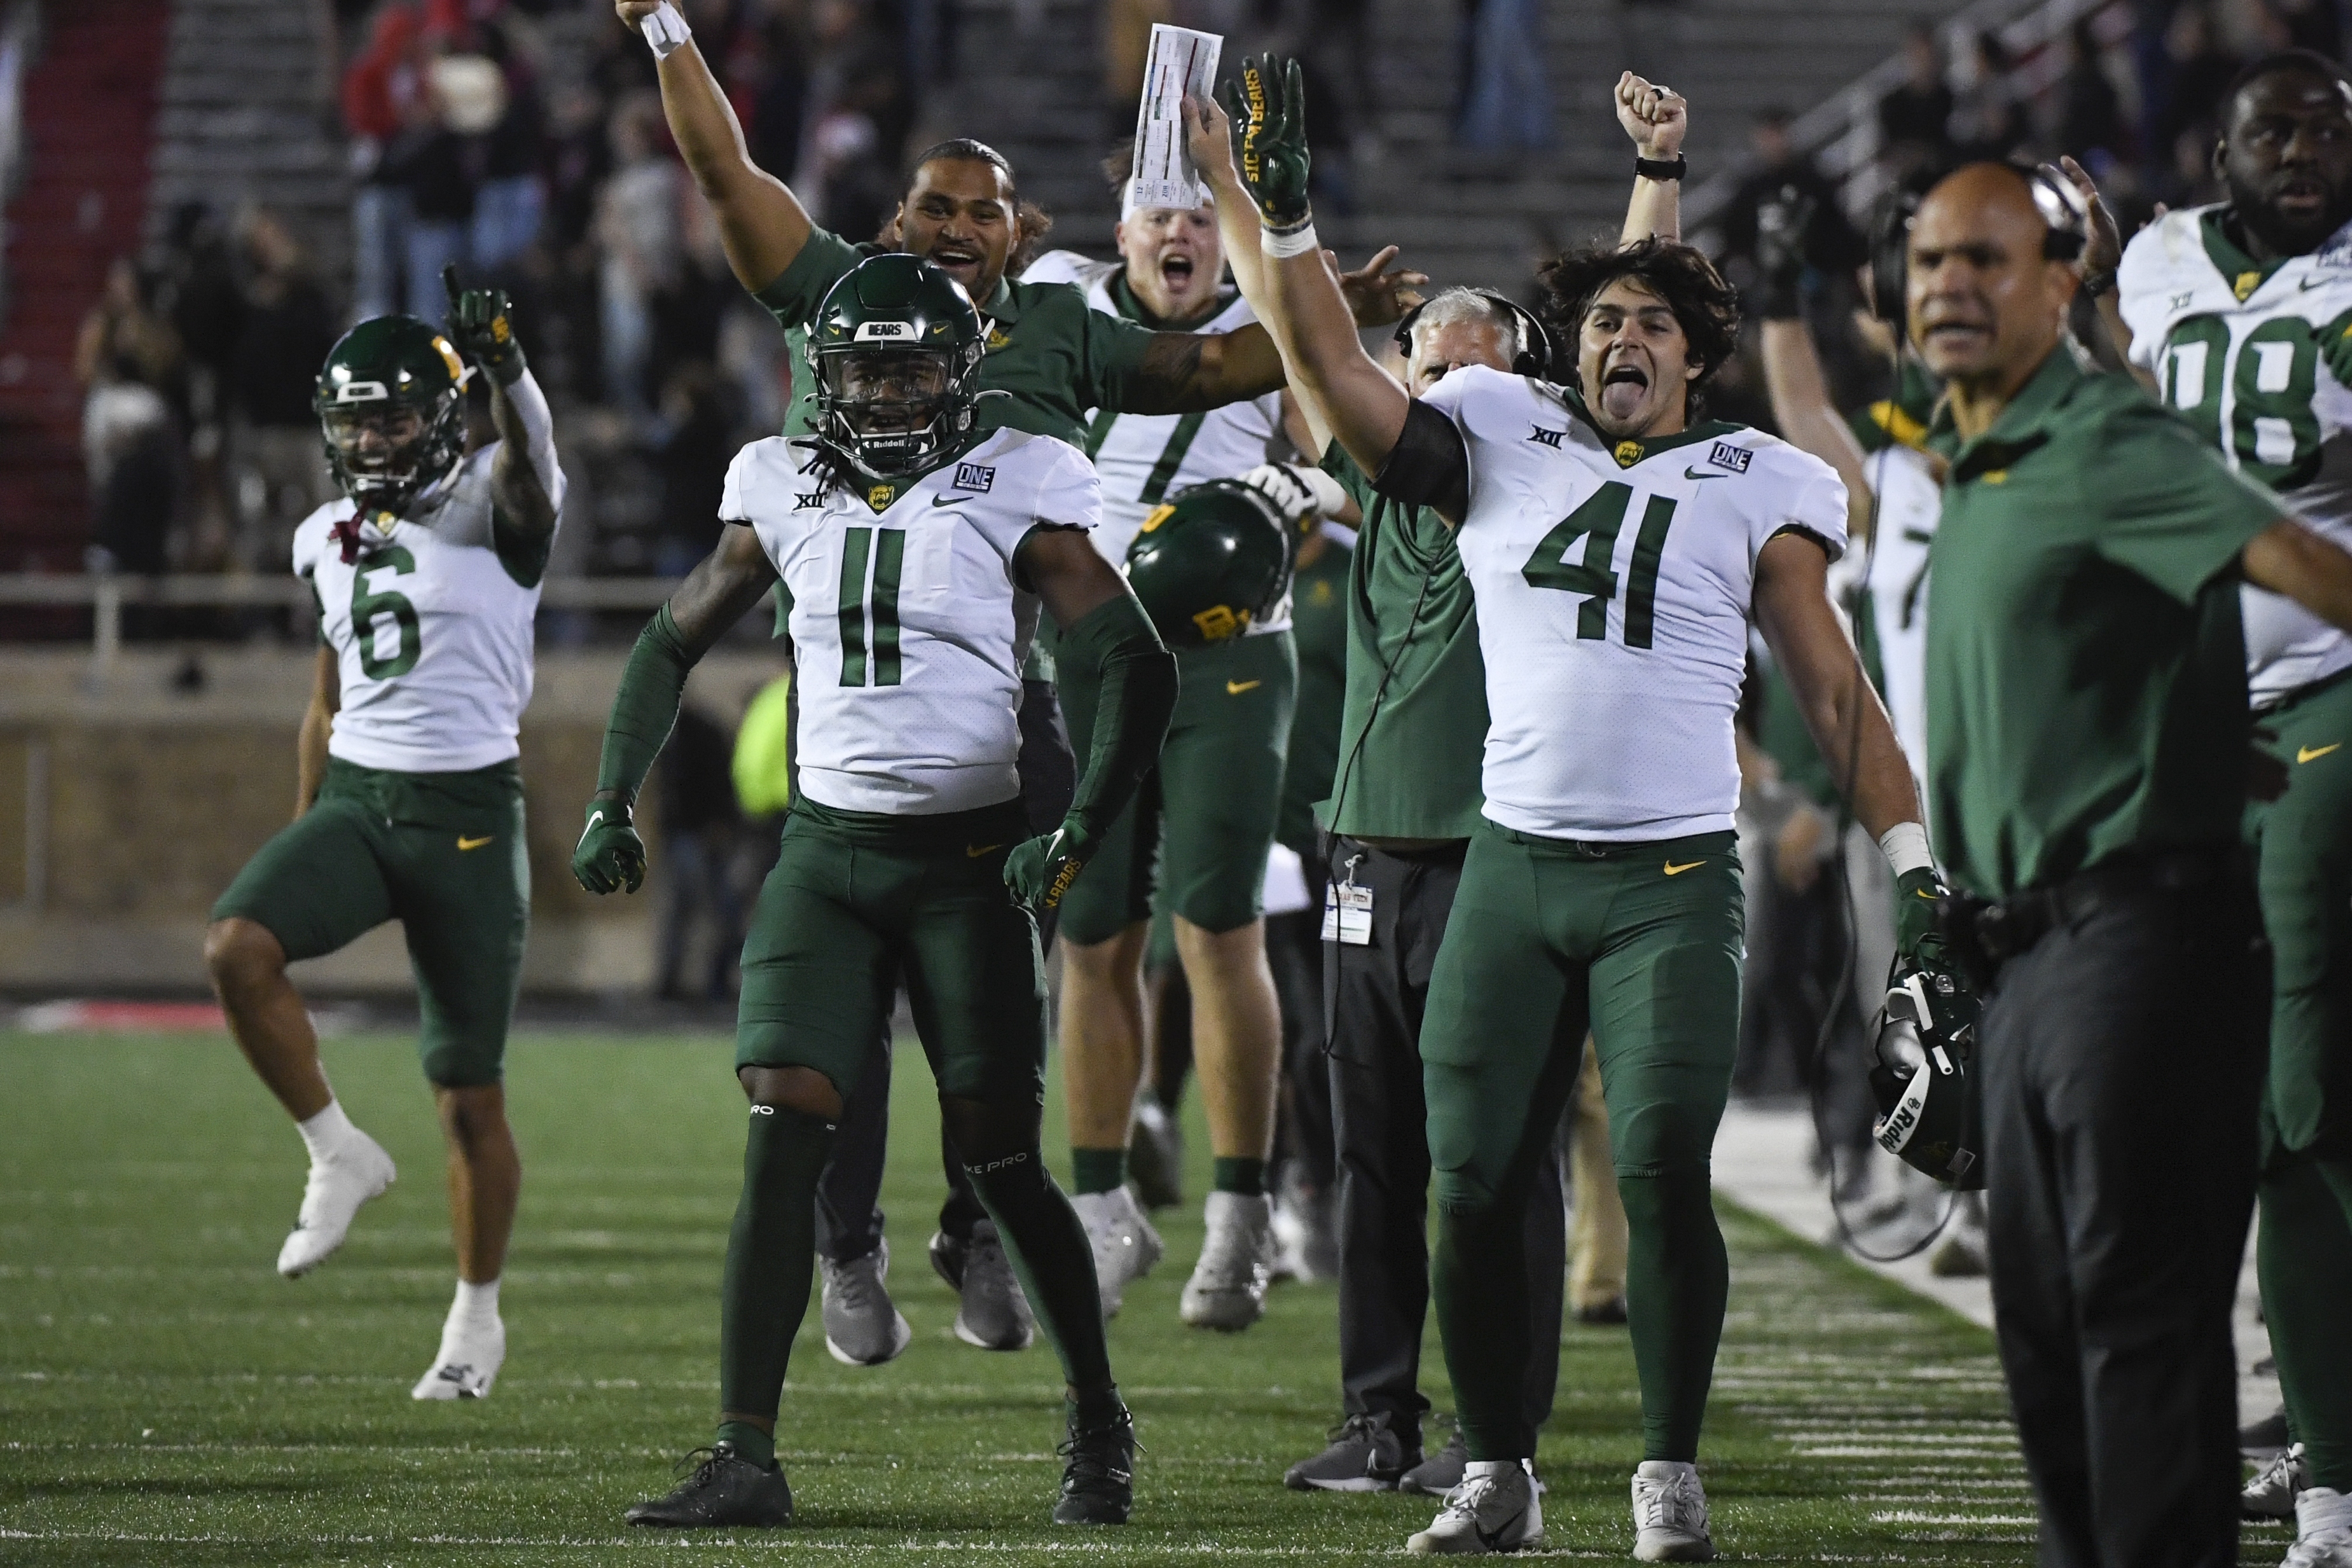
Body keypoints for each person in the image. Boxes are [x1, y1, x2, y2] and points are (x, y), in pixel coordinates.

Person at [609, 0, 1418, 1350]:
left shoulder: (1053, 333)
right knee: (841, 1014)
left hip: (1010, 706)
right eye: (931, 202)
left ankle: (985, 1217)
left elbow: (1229, 361)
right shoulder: (832, 294)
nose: (949, 223)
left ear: (1021, 238)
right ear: (895, 221)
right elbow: (723, 175)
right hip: (846, 709)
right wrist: (665, 29)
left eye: (980, 210)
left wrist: (1322, 304)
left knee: (1005, 997)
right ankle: (849, 1242)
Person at [1225, 57, 1943, 1557]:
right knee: (1475, 1181)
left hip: (1670, 881)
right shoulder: (1496, 428)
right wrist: (1285, 227)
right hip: (1512, 869)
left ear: (1697, 358)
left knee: (1662, 1164)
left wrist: (1917, 865)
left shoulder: (1762, 475)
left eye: (1652, 323)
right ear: (1575, 351)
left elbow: (1834, 696)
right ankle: (1498, 1469)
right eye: (1604, 321)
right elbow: (1340, 384)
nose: (1624, 336)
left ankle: (1666, 1469)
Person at [573, 253, 1178, 1530]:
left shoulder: (1021, 475)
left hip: (966, 866)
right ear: (825, 378)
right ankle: (745, 1453)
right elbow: (667, 642)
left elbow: (1133, 662)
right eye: (865, 368)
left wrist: (1072, 833)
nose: (890, 392)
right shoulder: (778, 481)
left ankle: (1098, 1425)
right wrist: (607, 797)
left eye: (912, 366)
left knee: (1004, 1162)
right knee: (779, 1131)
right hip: (825, 862)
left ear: (959, 371)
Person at [1192, 68, 1687, 1496]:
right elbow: (1293, 326)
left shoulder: (1550, 472)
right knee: (1374, 1160)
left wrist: (1654, 171)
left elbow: (1634, 316)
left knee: (1503, 1160)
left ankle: (1495, 1428)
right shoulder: (1367, 468)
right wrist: (1240, 182)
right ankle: (1376, 1419)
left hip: (1497, 863)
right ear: (1400, 379)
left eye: (1487, 370)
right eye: (1434, 366)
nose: (1455, 389)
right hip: (1364, 857)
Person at [1904, 158, 2352, 1568]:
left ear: (2059, 283)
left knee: (2137, 1338)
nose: (1950, 287)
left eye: (1986, 261)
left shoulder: (2101, 432)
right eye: (1930, 262)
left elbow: (2304, 566)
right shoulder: (1981, 442)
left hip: (2139, 943)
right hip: (2029, 954)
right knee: (2045, 1344)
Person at [2078, 49, 2352, 1567]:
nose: (2301, 150)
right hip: (2187, 724)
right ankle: (2300, 1437)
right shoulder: (2162, 256)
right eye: (2273, 129)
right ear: (2218, 147)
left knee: (2302, 1098)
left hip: (2328, 692)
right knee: (2221, 1112)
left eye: (2326, 128)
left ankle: (2329, 1471)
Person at [202, 274, 564, 1400]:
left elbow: (533, 459)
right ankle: (335, 1149)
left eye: (393, 415)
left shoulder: (500, 512)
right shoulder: (324, 533)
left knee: (466, 1094)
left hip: (465, 816)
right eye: (354, 417)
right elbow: (327, 695)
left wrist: (507, 366)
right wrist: (312, 822)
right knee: (238, 948)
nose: (370, 437)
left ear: (442, 418)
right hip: (362, 799)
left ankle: (474, 1321)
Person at [1018, 151, 1334, 1331]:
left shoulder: (1270, 308)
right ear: (1120, 227)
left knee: (1217, 925)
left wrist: (1298, 493)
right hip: (1095, 653)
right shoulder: (1058, 300)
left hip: (1231, 655)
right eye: (1160, 210)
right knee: (1093, 932)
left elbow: (1349, 451)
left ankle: (1242, 1214)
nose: (1180, 231)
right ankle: (1103, 1208)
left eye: (1201, 212)